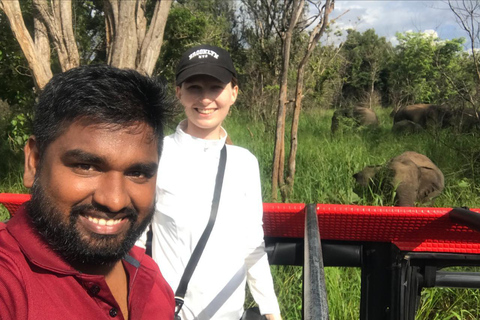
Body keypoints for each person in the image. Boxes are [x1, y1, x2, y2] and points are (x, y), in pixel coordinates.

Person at [0, 65, 175, 319]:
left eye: (137, 173)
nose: (114, 201)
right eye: (86, 166)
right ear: (34, 162)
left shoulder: (147, 274)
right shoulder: (9, 284)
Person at [147, 44, 282, 319]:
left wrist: (271, 312)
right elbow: (135, 243)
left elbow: (252, 243)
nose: (205, 99)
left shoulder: (245, 163)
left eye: (215, 87)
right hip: (170, 312)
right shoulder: (157, 154)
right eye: (194, 87)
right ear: (179, 93)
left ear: (233, 92)